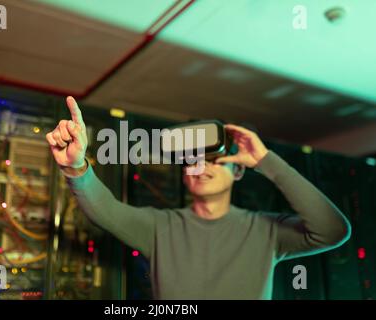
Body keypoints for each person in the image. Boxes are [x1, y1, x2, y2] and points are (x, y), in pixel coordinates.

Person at [46, 96, 351, 299]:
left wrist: (266, 162)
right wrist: (75, 166)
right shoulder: (160, 227)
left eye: (213, 159)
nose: (200, 167)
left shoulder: (266, 231)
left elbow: (333, 230)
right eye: (192, 160)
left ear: (238, 171)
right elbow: (106, 210)